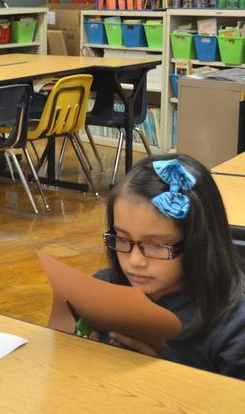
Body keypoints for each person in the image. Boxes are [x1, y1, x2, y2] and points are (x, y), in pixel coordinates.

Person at [93, 154, 245, 378]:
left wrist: (164, 379)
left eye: (156, 245)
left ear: (199, 243)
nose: (135, 261)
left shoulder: (235, 328)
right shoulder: (100, 290)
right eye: (122, 239)